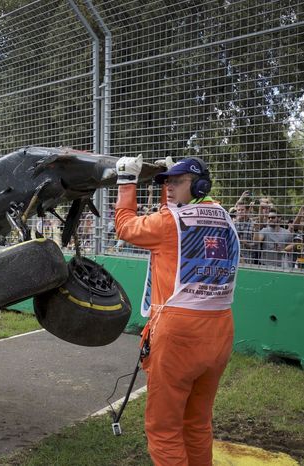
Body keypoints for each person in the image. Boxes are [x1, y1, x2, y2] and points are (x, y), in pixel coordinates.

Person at [114, 155, 239, 465]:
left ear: (199, 185)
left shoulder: (168, 224)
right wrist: (167, 185)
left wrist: (126, 183)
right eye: (166, 182)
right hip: (220, 331)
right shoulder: (224, 216)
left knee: (164, 427)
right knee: (197, 422)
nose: (168, 188)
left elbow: (125, 226)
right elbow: (176, 220)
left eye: (176, 182)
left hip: (179, 333)